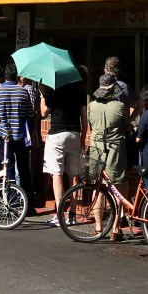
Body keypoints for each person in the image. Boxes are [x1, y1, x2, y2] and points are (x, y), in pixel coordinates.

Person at [0, 61, 35, 209]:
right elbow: (30, 114)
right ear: (16, 76)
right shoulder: (23, 92)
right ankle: (28, 204)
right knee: (24, 169)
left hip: (3, 136)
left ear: (4, 77)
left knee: (7, 168)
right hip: (20, 135)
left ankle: (10, 201)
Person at [40, 71, 87, 225]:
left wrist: (42, 94)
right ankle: (72, 214)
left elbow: (43, 112)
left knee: (57, 174)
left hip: (57, 135)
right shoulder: (79, 91)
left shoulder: (54, 89)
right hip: (74, 134)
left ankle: (60, 214)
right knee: (73, 176)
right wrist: (82, 140)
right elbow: (84, 118)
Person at [88, 73, 129, 241]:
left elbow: (90, 125)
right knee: (116, 188)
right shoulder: (120, 106)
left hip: (96, 149)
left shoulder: (91, 106)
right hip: (115, 149)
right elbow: (125, 125)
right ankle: (115, 228)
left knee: (97, 188)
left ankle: (98, 227)